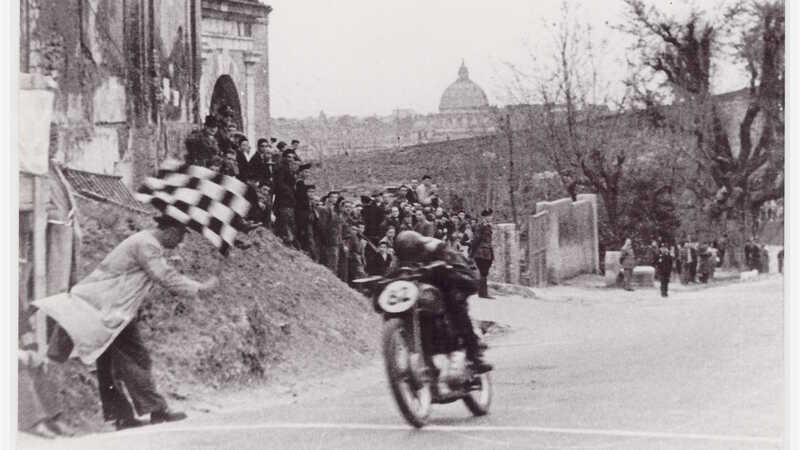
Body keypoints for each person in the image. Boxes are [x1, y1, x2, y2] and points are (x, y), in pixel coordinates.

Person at [40, 215, 218, 430]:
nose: (180, 242)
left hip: (100, 305)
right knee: (137, 357)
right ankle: (156, 410)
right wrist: (199, 288)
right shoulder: (148, 245)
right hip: (113, 309)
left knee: (107, 363)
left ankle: (121, 416)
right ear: (170, 230)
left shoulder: (143, 241)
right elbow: (164, 276)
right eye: (180, 235)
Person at [393, 231, 492, 373]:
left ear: (419, 248)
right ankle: (428, 364)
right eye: (406, 257)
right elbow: (394, 272)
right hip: (424, 289)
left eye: (413, 256)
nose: (410, 260)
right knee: (421, 312)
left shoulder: (437, 248)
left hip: (451, 281)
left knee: (455, 305)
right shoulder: (402, 256)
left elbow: (462, 270)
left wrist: (444, 268)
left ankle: (475, 356)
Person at [469, 209, 495, 299]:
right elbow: (476, 239)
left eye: (491, 216)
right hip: (481, 252)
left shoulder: (488, 226)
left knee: (484, 272)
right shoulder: (481, 226)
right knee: (483, 272)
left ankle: (482, 292)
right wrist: (472, 252)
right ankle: (483, 293)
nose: (491, 217)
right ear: (485, 217)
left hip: (487, 251)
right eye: (489, 216)